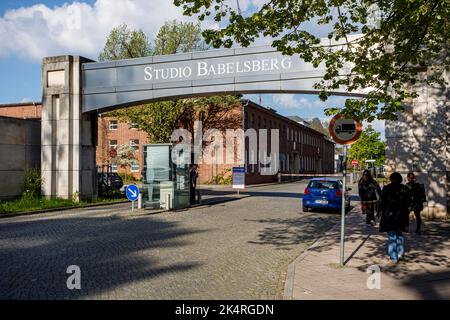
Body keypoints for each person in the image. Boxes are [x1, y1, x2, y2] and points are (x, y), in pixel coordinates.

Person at [379, 172, 412, 263]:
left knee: (392, 235)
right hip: (402, 215)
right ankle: (400, 253)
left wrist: (379, 212)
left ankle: (393, 257)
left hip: (390, 215)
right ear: (400, 179)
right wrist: (407, 211)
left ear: (391, 179)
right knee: (400, 234)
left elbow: (381, 202)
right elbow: (409, 202)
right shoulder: (405, 188)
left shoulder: (386, 188)